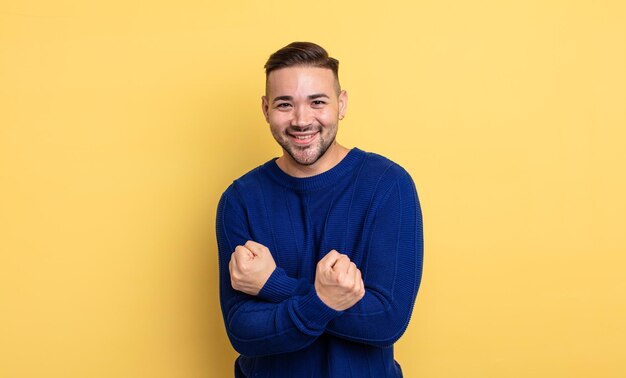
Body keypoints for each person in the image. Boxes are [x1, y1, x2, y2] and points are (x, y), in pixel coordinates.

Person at [216, 41, 423, 378]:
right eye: (285, 104)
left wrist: (274, 284)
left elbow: (386, 320)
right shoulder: (240, 199)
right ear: (266, 109)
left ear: (341, 104)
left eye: (317, 102)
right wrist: (328, 297)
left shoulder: (388, 185)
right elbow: (243, 331)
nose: (301, 120)